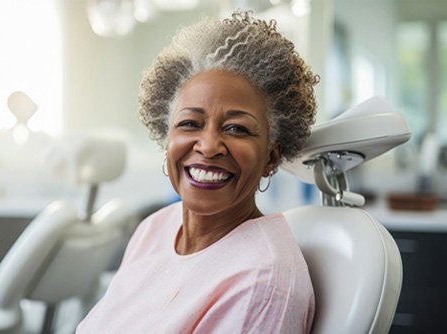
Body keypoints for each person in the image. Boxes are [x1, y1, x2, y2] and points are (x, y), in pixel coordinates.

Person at [77, 10, 319, 334]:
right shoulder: (155, 229)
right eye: (190, 123)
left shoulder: (262, 285)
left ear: (271, 158)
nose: (208, 146)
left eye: (237, 128)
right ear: (167, 139)